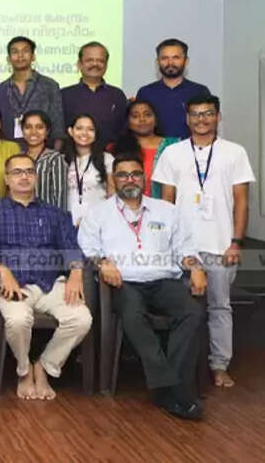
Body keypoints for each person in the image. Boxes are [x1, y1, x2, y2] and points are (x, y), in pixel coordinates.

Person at [78, 154, 207, 420]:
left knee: (192, 312)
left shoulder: (167, 210)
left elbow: (185, 248)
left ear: (144, 178)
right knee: (133, 315)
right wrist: (103, 262)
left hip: (163, 280)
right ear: (114, 180)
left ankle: (168, 386)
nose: (130, 179)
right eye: (123, 175)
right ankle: (178, 392)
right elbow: (86, 247)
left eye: (135, 174)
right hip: (124, 282)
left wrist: (195, 267)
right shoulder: (98, 213)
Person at [152, 95, 254, 388]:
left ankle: (219, 366)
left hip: (221, 246)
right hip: (182, 249)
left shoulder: (234, 152)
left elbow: (242, 202)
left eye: (208, 114)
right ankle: (181, 369)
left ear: (218, 117)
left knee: (220, 307)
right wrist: (166, 245)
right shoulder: (173, 154)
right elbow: (166, 202)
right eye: (195, 114)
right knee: (182, 309)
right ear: (187, 119)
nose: (201, 119)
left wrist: (236, 242)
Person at [0, 153, 91, 400]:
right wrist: (3, 270)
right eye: (17, 172)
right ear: (7, 179)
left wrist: (76, 272)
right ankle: (24, 369)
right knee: (18, 321)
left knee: (81, 319)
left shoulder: (55, 213)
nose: (24, 177)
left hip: (51, 284)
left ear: (36, 177)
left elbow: (71, 247)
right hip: (14, 285)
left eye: (29, 171)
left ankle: (46, 365)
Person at [135, 38, 211, 139]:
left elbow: (208, 126)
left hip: (191, 152)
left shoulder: (200, 91)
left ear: (186, 61)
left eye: (176, 58)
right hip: (156, 152)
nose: (170, 63)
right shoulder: (145, 92)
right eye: (164, 58)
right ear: (158, 62)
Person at [61, 42, 127, 146]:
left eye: (100, 61)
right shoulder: (64, 95)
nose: (95, 64)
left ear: (106, 65)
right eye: (89, 60)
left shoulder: (117, 95)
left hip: (110, 157)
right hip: (74, 158)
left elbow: (123, 130)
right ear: (79, 64)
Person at [1, 36, 65, 143]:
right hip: (10, 151)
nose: (20, 55)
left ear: (33, 57)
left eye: (25, 51)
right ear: (8, 59)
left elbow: (58, 127)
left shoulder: (49, 85)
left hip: (43, 151)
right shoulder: (1, 89)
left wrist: (54, 155)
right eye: (15, 52)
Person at [110, 100, 178, 198]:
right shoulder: (114, 148)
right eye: (135, 116)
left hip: (166, 208)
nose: (142, 119)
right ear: (128, 122)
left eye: (147, 115)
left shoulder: (173, 145)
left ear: (156, 120)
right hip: (126, 208)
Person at [63, 114, 115, 226]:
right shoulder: (62, 160)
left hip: (99, 223)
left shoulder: (107, 159)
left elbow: (113, 196)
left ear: (96, 134)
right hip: (68, 224)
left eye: (90, 129)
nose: (84, 133)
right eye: (79, 128)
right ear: (70, 131)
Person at [21, 110, 67, 211]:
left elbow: (60, 196)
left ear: (47, 132)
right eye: (28, 127)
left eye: (39, 127)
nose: (33, 132)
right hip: (21, 219)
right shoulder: (19, 159)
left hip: (48, 221)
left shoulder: (55, 159)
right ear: (22, 131)